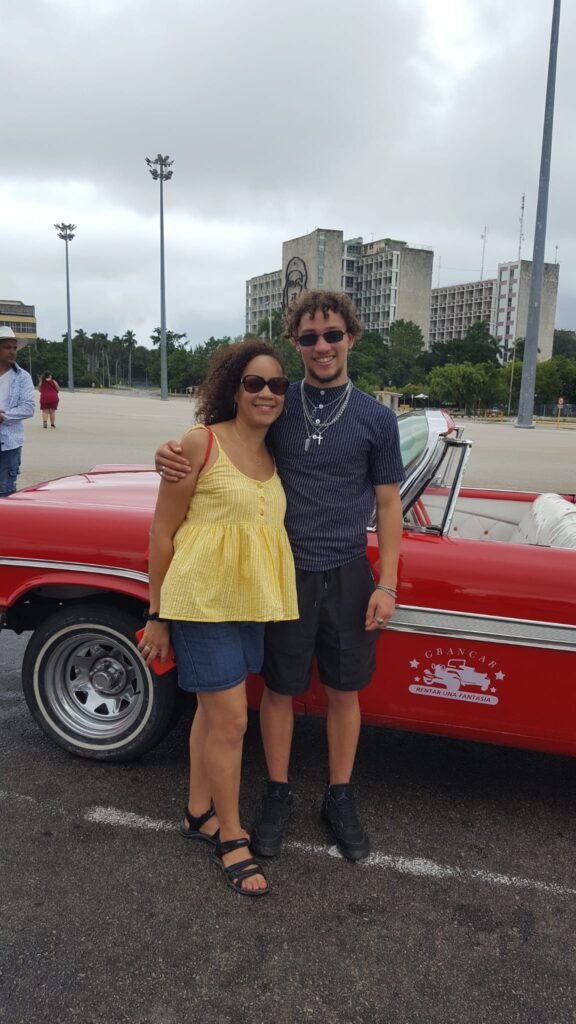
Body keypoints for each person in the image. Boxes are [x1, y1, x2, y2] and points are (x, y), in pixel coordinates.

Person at [155, 291, 404, 861]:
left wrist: (386, 583)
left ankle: (339, 796)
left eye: (333, 335)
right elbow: (220, 443)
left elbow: (388, 504)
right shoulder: (277, 405)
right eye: (310, 337)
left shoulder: (376, 417)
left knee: (345, 691)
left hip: (347, 572)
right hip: (282, 573)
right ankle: (278, 791)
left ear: (351, 338)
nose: (322, 346)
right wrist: (167, 453)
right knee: (280, 690)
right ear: (296, 344)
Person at [140, 340, 298, 897]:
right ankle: (232, 837)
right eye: (254, 383)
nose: (266, 393)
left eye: (277, 385)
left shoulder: (277, 454)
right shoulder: (198, 443)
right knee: (232, 720)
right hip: (200, 604)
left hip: (250, 603)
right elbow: (163, 530)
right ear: (234, 388)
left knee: (212, 715)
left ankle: (197, 811)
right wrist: (156, 614)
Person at [0, 326, 36, 497]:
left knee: (5, 491)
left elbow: (28, 407)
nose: (12, 351)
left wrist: (4, 416)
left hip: (9, 443)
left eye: (14, 348)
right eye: (7, 347)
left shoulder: (23, 377)